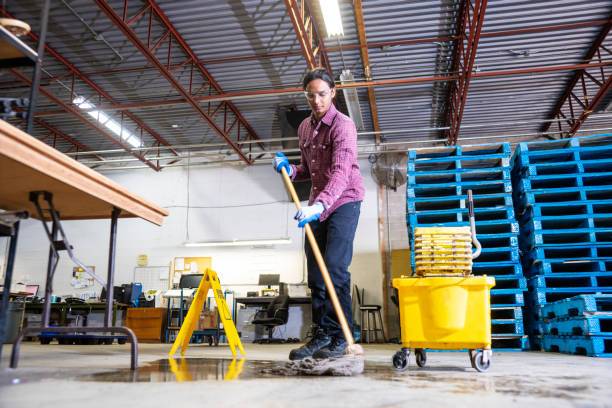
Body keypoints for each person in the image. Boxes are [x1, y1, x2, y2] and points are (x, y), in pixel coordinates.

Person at [273, 68, 364, 360]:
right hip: (317, 205)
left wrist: (321, 205)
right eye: (310, 95)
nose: (316, 100)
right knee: (315, 274)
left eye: (322, 94)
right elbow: (310, 170)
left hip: (344, 201)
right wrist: (292, 169)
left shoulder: (343, 125)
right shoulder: (303, 128)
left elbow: (341, 172)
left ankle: (342, 335)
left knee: (335, 268)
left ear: (333, 92)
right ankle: (322, 334)